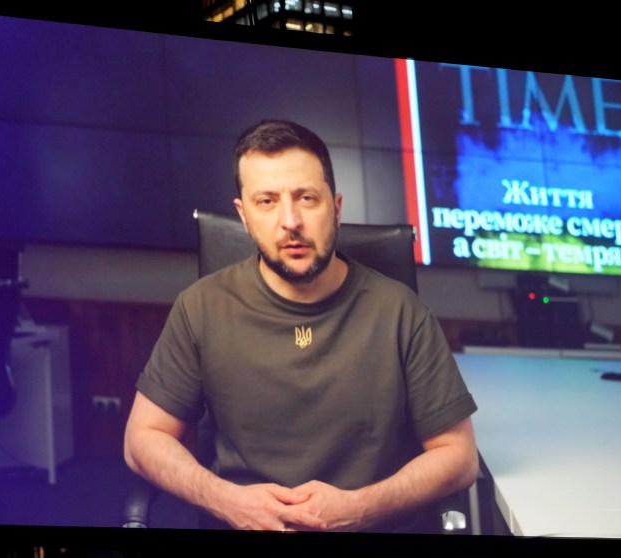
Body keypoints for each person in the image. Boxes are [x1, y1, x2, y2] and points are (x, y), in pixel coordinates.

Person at [124, 119, 478, 533]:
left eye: (306, 198)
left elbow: (459, 456)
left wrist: (360, 508)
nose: (290, 221)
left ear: (337, 206)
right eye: (267, 201)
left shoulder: (402, 311)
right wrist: (228, 501)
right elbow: (142, 439)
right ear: (244, 215)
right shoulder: (201, 308)